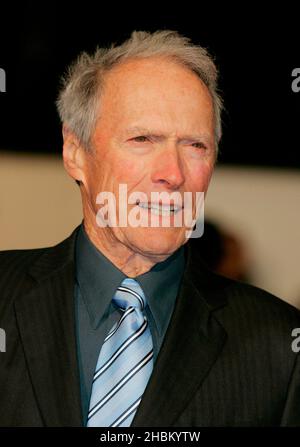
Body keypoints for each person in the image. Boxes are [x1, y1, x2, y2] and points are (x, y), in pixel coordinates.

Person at [0, 30, 299, 427]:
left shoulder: (279, 346)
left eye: (196, 146)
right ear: (75, 154)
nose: (173, 174)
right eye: (142, 139)